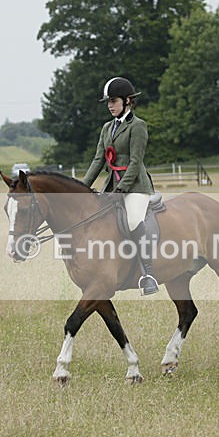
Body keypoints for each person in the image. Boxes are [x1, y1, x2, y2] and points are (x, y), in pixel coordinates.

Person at [81, 76, 159, 295]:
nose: (109, 106)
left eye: (113, 101)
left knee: (133, 220)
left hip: (135, 186)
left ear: (127, 101)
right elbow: (98, 160)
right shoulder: (107, 128)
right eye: (108, 102)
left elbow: (135, 162)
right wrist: (80, 188)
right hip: (112, 186)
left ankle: (148, 274)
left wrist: (122, 189)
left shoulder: (138, 126)